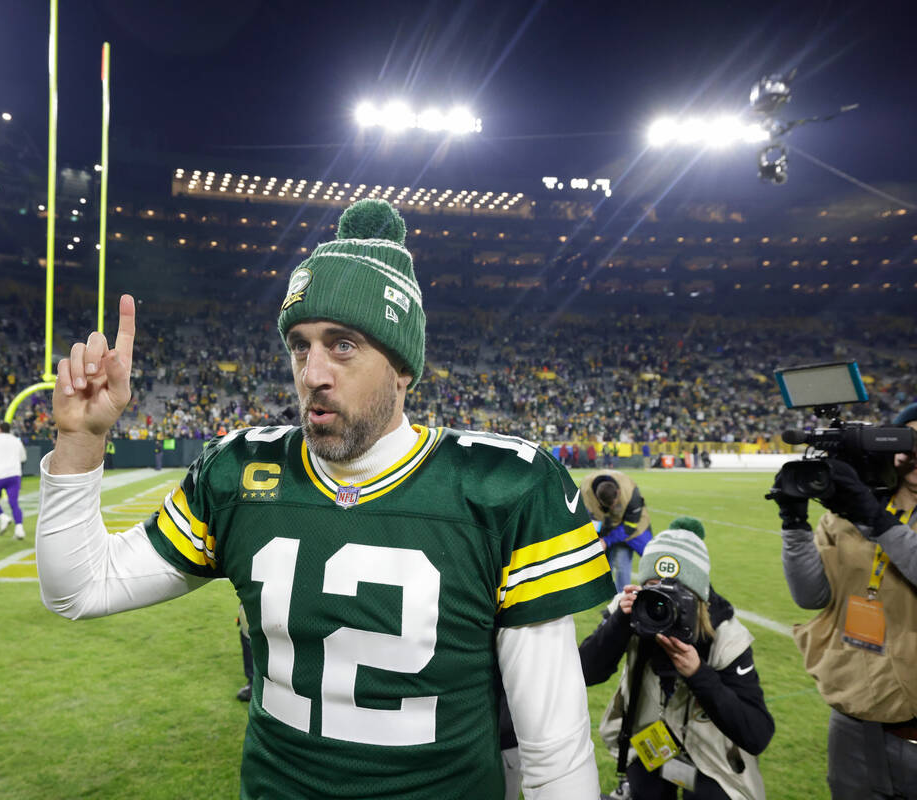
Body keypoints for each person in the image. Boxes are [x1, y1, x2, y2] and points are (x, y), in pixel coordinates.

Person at [35, 200, 615, 798]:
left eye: (342, 345)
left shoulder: (505, 486)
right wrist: (80, 440)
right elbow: (78, 589)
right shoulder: (239, 471)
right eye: (300, 345)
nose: (312, 372)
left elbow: (554, 752)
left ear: (401, 368)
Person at [774, 402, 917, 799]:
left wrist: (876, 519)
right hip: (856, 713)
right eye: (909, 442)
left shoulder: (865, 509)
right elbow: (810, 595)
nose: (916, 454)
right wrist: (795, 525)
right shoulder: (846, 511)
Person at [580, 525, 774, 799]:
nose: (662, 606)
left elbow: (756, 733)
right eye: (654, 591)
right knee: (646, 790)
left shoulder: (726, 636)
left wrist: (699, 674)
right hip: (649, 741)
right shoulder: (635, 612)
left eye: (677, 595)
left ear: (700, 598)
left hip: (710, 755)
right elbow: (585, 673)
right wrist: (619, 624)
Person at [582, 469, 654, 589]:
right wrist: (597, 538)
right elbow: (587, 517)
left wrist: (607, 540)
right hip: (605, 523)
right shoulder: (585, 491)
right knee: (602, 558)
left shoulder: (631, 493)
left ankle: (624, 594)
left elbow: (629, 527)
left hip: (634, 526)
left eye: (615, 504)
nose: (614, 508)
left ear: (618, 492)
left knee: (644, 558)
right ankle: (606, 591)